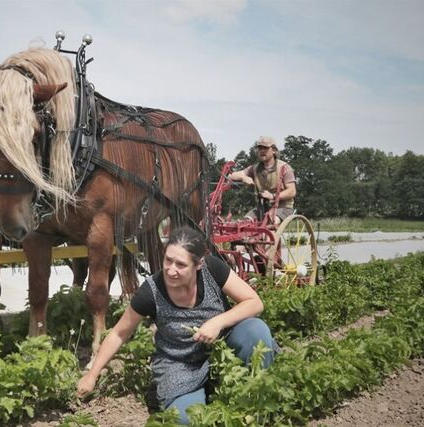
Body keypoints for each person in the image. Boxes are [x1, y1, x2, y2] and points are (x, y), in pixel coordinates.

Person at [76, 226, 277, 425]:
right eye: (168, 260)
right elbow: (119, 333)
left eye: (180, 264)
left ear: (198, 264)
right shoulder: (151, 291)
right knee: (185, 419)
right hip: (180, 363)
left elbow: (254, 302)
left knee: (255, 330)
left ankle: (256, 402)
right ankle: (196, 393)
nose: (171, 270)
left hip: (222, 348)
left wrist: (217, 322)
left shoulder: (212, 270)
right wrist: (92, 375)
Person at [228, 136, 296, 225]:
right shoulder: (254, 168)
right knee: (245, 223)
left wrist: (272, 196)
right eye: (260, 148)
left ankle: (269, 237)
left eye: (266, 148)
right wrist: (243, 177)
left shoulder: (284, 168)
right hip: (262, 208)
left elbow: (292, 191)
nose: (262, 151)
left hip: (283, 207)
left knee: (271, 221)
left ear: (274, 150)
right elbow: (231, 176)